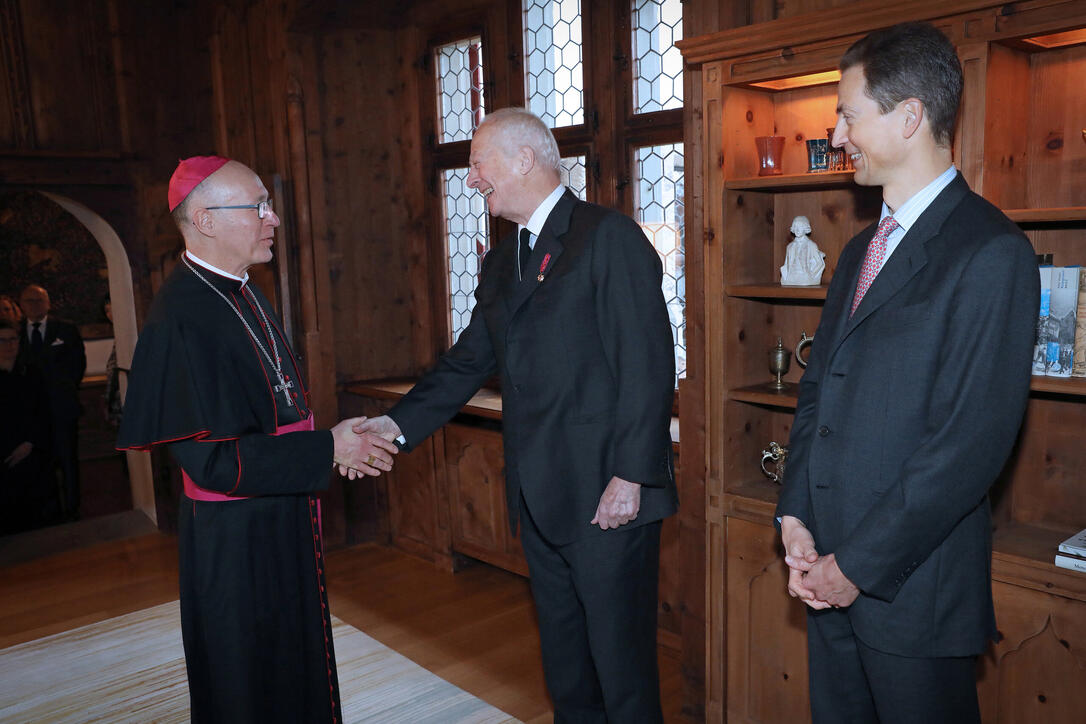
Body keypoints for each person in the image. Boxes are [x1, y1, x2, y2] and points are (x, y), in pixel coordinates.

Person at [356, 107, 678, 723]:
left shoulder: (607, 237)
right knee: (565, 663)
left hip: (609, 493)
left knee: (622, 670)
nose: (472, 180)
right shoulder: (504, 261)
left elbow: (647, 367)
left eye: (478, 164)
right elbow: (467, 363)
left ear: (524, 159)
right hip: (540, 495)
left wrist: (631, 477)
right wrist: (393, 427)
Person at [775, 22, 1038, 724]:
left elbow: (967, 447)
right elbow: (817, 393)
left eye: (849, 115)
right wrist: (797, 515)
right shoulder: (861, 248)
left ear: (910, 116)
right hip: (824, 579)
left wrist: (855, 566)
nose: (837, 135)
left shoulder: (991, 252)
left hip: (911, 595)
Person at [116, 155, 398, 723]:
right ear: (206, 219)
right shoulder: (181, 318)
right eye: (258, 206)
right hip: (237, 541)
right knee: (251, 676)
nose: (272, 218)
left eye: (269, 204)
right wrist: (327, 449)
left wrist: (333, 439)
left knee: (293, 659)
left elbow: (275, 412)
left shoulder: (241, 291)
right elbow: (213, 463)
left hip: (279, 515)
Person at [17, 283, 86, 521]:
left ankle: (72, 507)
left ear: (48, 303)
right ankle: (47, 509)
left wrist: (64, 392)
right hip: (29, 412)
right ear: (21, 305)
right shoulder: (14, 333)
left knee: (67, 459)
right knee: (38, 462)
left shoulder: (65, 329)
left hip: (61, 408)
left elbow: (77, 366)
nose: (34, 305)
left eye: (39, 300)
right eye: (29, 301)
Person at [0, 319, 52, 535]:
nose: (9, 345)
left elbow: (42, 412)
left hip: (31, 450)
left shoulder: (31, 373)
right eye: (2, 341)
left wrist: (30, 442)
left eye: (13, 339)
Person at [780, 214, 825, 286]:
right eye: (795, 227)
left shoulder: (811, 245)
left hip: (805, 276)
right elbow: (786, 265)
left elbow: (820, 263)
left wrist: (811, 275)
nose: (797, 230)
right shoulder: (790, 246)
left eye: (800, 227)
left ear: (805, 228)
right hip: (791, 277)